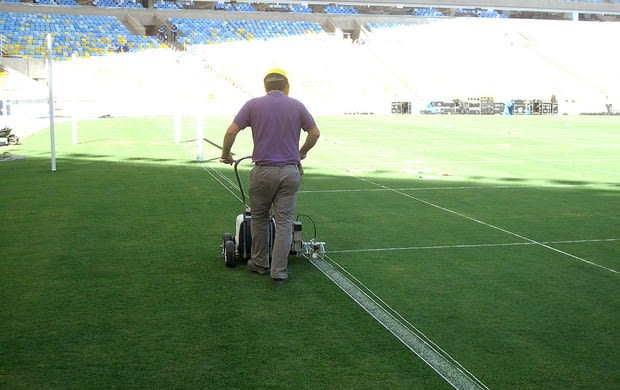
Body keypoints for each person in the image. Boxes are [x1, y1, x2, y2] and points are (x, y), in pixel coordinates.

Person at [220, 68, 320, 284]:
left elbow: (230, 132)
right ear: (287, 87)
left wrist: (225, 154)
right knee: (284, 223)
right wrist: (302, 152)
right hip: (290, 172)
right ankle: (279, 271)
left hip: (263, 172)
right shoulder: (297, 105)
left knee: (259, 219)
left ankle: (259, 263)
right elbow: (315, 133)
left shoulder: (252, 105)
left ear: (265, 87)